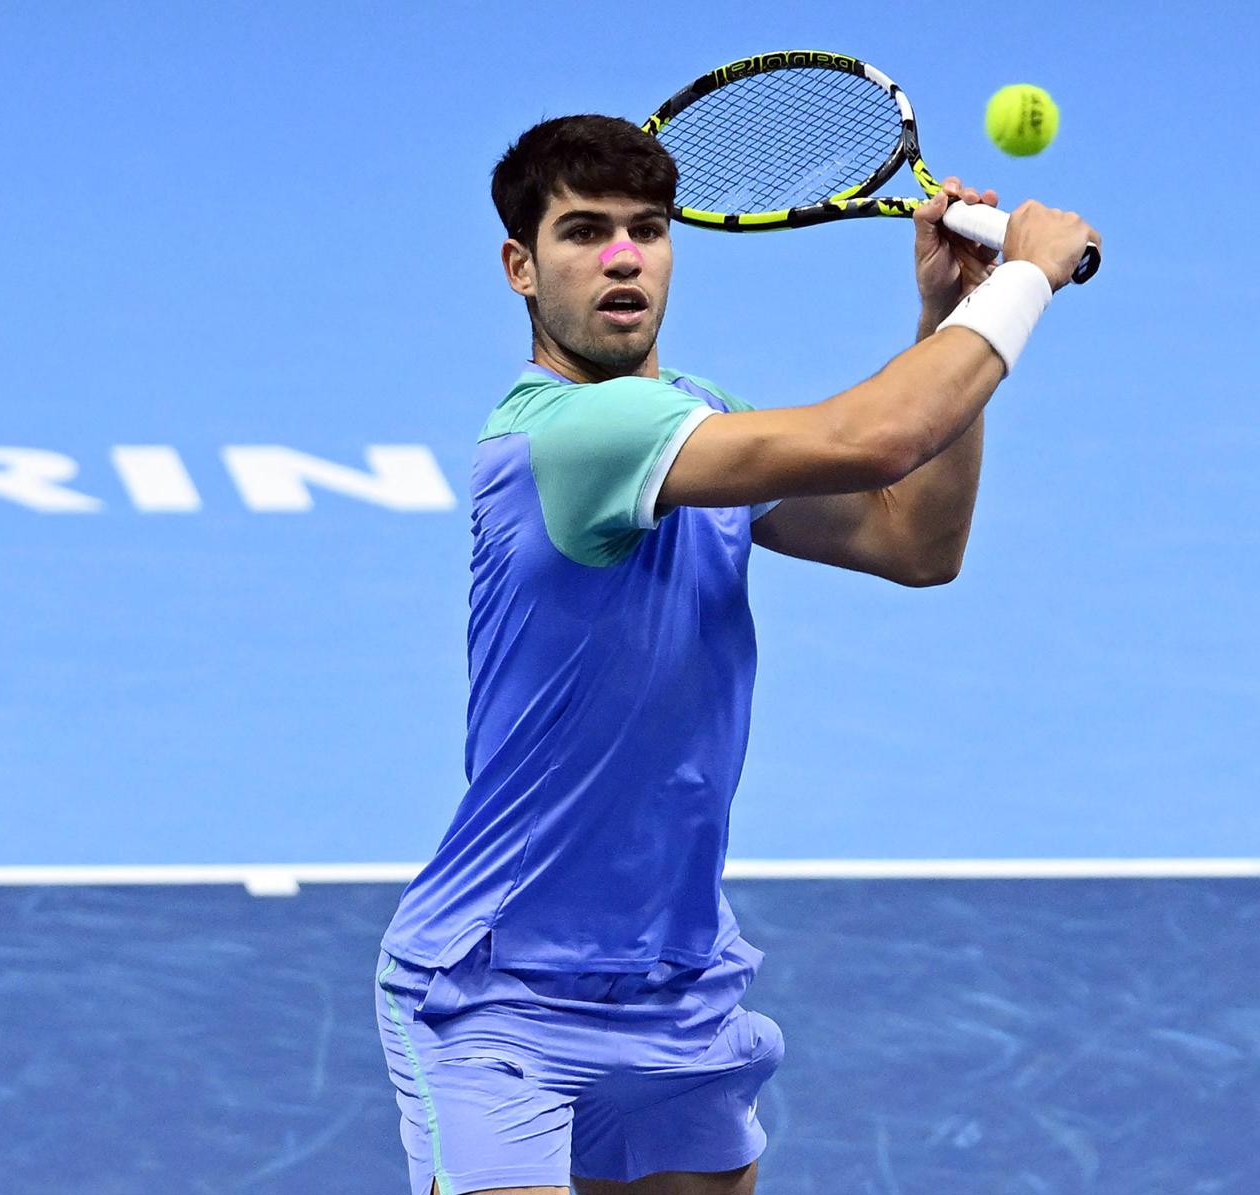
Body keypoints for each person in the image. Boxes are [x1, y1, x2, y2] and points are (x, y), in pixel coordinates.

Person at [373, 115, 1100, 1195]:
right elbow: (874, 437)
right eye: (584, 232)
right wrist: (1027, 278)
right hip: (501, 992)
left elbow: (916, 541)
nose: (624, 256)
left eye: (647, 228)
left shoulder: (693, 418)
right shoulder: (571, 435)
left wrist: (948, 312)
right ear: (520, 267)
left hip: (678, 981)